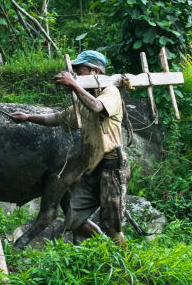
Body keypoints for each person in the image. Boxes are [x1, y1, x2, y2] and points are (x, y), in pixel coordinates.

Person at [11, 50, 129, 248]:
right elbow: (56, 118)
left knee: (112, 226)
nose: (77, 76)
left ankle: (125, 267)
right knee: (73, 215)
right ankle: (99, 252)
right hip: (93, 169)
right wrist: (28, 117)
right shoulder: (82, 104)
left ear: (96, 71)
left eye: (80, 71)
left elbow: (98, 107)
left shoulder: (110, 92)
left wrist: (74, 85)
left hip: (111, 168)